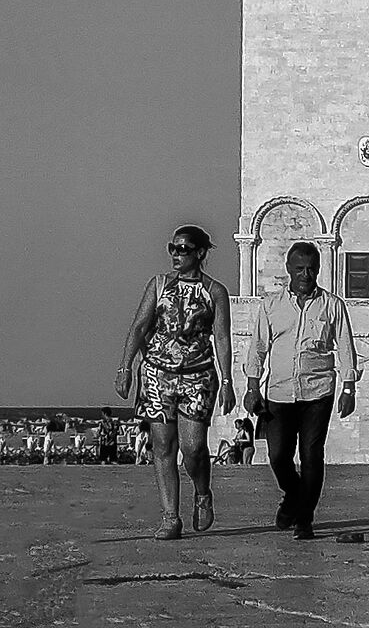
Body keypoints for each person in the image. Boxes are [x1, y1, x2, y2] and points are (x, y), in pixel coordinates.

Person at [115, 225, 234, 539]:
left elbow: (221, 337)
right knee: (163, 446)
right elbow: (139, 325)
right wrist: (125, 367)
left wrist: (227, 380)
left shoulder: (215, 291)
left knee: (193, 447)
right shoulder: (158, 285)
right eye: (173, 248)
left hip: (197, 374)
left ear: (200, 253)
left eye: (184, 249)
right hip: (157, 374)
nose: (177, 254)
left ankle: (203, 491)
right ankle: (170, 517)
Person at [242, 241, 356, 543]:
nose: (305, 274)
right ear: (289, 270)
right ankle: (293, 497)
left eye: (311, 268)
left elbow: (345, 347)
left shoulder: (332, 305)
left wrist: (349, 387)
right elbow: (258, 347)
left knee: (311, 455)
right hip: (279, 392)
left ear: (318, 269)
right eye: (299, 269)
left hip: (318, 391)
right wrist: (252, 386)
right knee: (278, 456)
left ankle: (305, 518)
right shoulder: (271, 305)